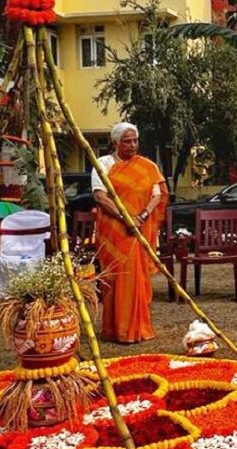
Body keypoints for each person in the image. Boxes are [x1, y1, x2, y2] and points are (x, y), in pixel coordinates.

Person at [91, 122, 167, 343]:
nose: (132, 145)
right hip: (114, 230)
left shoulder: (147, 166)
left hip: (138, 229)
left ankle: (137, 328)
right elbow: (100, 196)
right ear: (115, 143)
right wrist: (125, 219)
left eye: (135, 140)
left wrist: (141, 217)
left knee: (135, 276)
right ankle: (115, 329)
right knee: (115, 278)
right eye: (127, 141)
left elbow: (157, 195)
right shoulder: (103, 164)